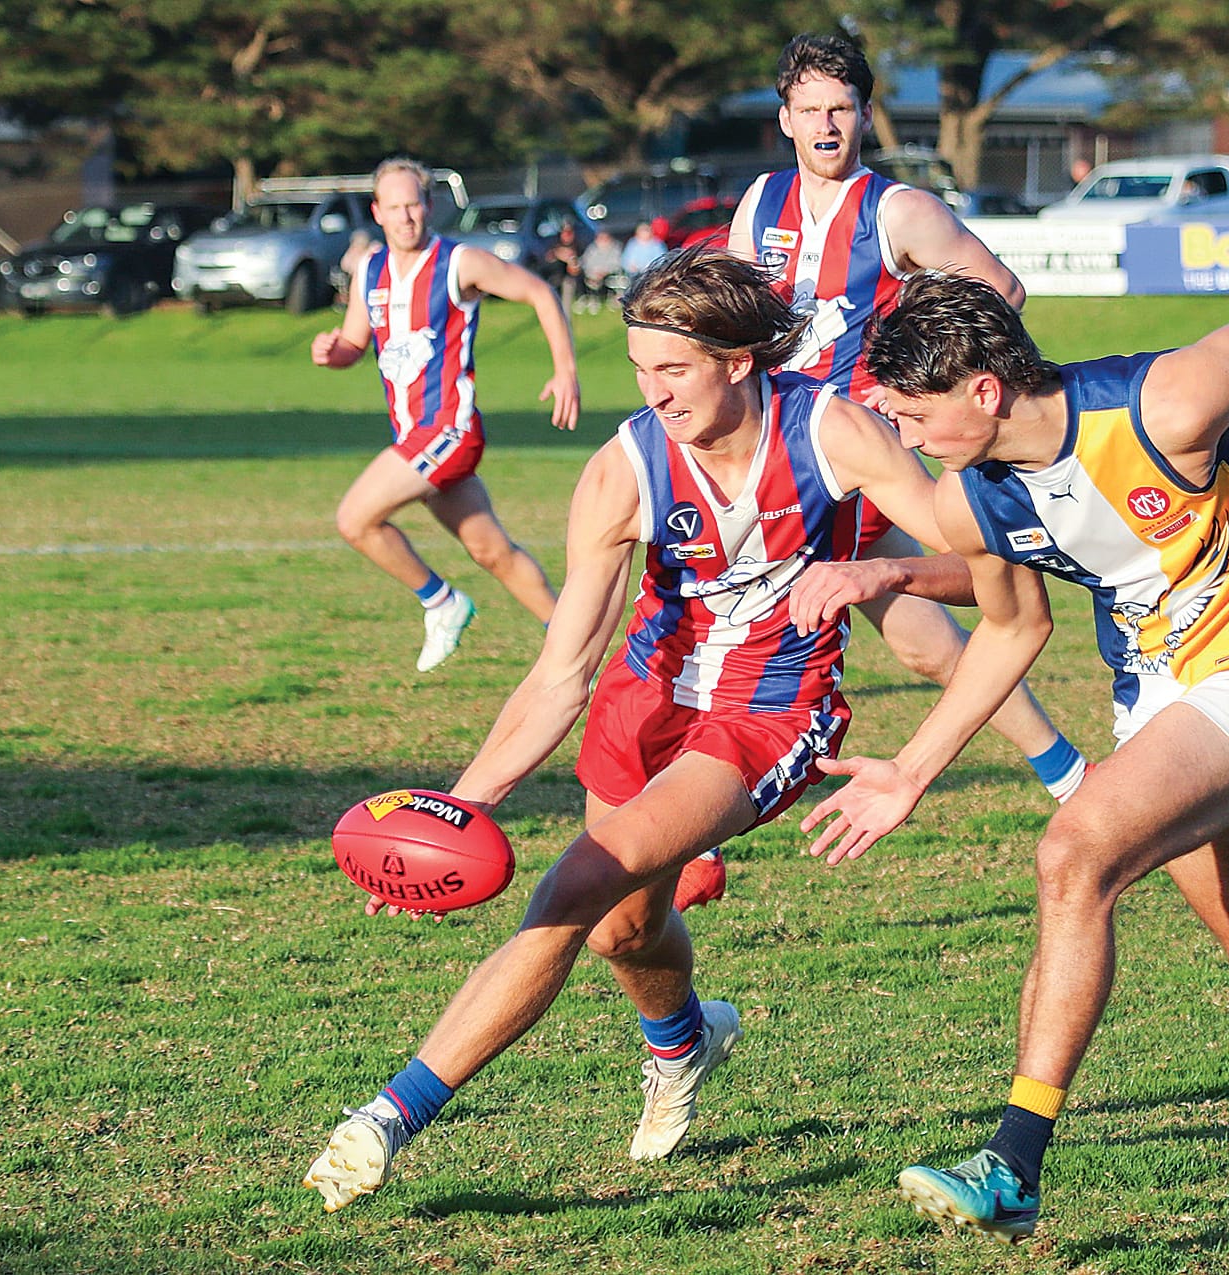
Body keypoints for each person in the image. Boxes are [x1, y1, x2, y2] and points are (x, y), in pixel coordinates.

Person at [793, 273, 1229, 1243]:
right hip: (1162, 706)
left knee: (1073, 851)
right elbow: (1010, 629)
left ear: (983, 392)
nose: (908, 439)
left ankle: (1012, 1165)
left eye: (916, 416)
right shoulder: (974, 499)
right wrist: (911, 768)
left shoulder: (1163, 404)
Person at [302, 246, 978, 1213]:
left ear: (738, 361)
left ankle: (383, 1119)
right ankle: (684, 1040)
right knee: (626, 925)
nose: (653, 393)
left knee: (578, 880)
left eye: (674, 369)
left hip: (771, 706)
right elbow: (560, 672)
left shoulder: (836, 432)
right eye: (639, 371)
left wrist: (888, 573)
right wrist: (456, 809)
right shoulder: (624, 469)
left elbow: (991, 564)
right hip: (647, 694)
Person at [727, 32, 1088, 809]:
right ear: (785, 118)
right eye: (809, 109)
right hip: (774, 447)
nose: (825, 124)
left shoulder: (896, 210)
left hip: (852, 455)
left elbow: (1000, 291)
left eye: (841, 108)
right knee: (921, 641)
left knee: (739, 609)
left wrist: (906, 370)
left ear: (864, 115)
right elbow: (735, 316)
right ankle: (1064, 767)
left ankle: (708, 805)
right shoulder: (758, 203)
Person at [311, 158, 581, 672]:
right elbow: (353, 342)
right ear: (377, 212)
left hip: (449, 430)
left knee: (354, 519)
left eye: (413, 204)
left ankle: (442, 602)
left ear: (428, 206)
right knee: (491, 552)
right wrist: (331, 352)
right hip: (415, 434)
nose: (405, 216)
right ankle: (573, 645)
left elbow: (539, 292)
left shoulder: (460, 263)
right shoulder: (370, 270)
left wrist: (565, 370)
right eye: (394, 207)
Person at [542, 219, 584, 314]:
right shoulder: (554, 245)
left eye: (570, 233)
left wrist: (571, 261)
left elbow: (576, 269)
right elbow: (546, 262)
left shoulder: (577, 246)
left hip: (568, 280)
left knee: (568, 287)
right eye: (565, 233)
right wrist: (559, 255)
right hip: (553, 279)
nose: (567, 236)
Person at [578, 227, 623, 312]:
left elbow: (616, 264)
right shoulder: (592, 249)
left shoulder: (615, 249)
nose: (602, 240)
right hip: (592, 273)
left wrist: (604, 271)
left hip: (608, 273)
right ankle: (589, 299)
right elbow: (585, 261)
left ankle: (600, 299)